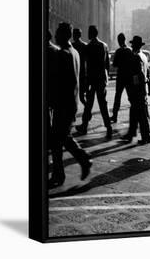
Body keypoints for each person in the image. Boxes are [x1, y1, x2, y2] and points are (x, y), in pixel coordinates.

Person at [49, 22, 92, 188]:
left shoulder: (63, 54)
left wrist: (52, 100)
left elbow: (59, 82)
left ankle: (81, 160)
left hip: (62, 103)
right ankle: (62, 172)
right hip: (71, 102)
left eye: (58, 33)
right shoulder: (75, 52)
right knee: (60, 138)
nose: (55, 36)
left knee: (59, 139)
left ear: (63, 35)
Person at [75, 25, 112, 139]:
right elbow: (107, 64)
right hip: (101, 79)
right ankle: (108, 127)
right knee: (103, 104)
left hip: (91, 79)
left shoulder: (89, 46)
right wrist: (107, 78)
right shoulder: (104, 45)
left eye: (89, 32)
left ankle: (85, 126)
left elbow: (86, 65)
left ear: (91, 33)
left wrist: (86, 81)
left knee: (89, 104)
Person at [123, 36, 150, 144]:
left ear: (135, 45)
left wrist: (133, 88)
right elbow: (147, 72)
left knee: (141, 114)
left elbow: (137, 74)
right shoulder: (144, 56)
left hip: (138, 89)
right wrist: (149, 87)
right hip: (143, 88)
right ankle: (131, 133)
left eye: (133, 45)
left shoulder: (135, 57)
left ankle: (146, 136)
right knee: (137, 111)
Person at [110, 33, 132, 123]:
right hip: (128, 76)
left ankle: (115, 116)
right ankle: (136, 115)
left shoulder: (118, 51)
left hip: (120, 76)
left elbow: (115, 64)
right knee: (131, 97)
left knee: (117, 96)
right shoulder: (130, 50)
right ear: (125, 39)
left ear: (119, 41)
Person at [72, 28, 87, 107]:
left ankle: (87, 109)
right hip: (82, 74)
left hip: (76, 74)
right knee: (81, 96)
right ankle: (87, 109)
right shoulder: (84, 45)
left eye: (74, 34)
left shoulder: (72, 45)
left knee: (77, 96)